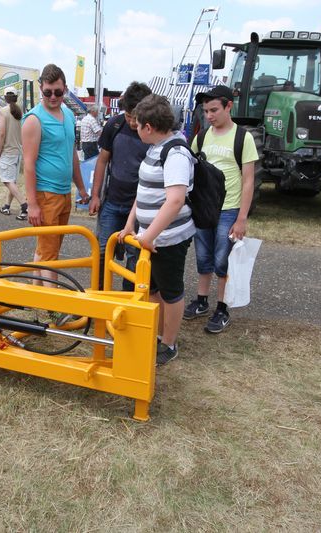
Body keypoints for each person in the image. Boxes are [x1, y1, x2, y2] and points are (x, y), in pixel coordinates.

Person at [118, 94, 195, 366]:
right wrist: (131, 224)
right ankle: (155, 334)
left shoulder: (175, 153)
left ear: (149, 127)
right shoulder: (155, 148)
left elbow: (175, 200)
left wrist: (148, 237)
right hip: (148, 238)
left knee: (170, 290)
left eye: (137, 124)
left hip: (168, 238)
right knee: (152, 288)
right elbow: (144, 192)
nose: (134, 128)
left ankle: (169, 343)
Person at [183, 85, 258, 334]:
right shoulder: (202, 137)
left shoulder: (242, 138)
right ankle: (202, 300)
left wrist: (242, 218)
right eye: (205, 111)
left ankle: (222, 308)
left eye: (214, 110)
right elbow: (190, 167)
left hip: (229, 209)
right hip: (204, 209)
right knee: (203, 257)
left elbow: (248, 180)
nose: (209, 116)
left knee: (222, 261)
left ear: (229, 106)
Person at [22, 63, 89, 286]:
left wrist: (80, 187)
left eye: (58, 92)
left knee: (47, 248)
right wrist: (32, 204)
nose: (53, 96)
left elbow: (72, 156)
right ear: (40, 88)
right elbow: (28, 164)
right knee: (50, 254)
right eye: (47, 92)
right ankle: (53, 311)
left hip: (63, 193)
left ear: (65, 89)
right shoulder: (34, 119)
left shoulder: (69, 115)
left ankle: (36, 297)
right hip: (45, 194)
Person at [89, 81, 152, 290]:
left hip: (140, 209)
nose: (133, 122)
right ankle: (98, 296)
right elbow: (102, 160)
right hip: (112, 204)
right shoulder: (114, 125)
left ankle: (128, 299)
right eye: (128, 116)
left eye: (136, 117)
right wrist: (95, 195)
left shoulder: (153, 134)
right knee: (101, 251)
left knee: (135, 257)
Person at [0, 87, 28, 220]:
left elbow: (1, 133)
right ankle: (6, 206)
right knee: (12, 181)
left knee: (7, 181)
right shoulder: (20, 111)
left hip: (7, 151)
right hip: (17, 151)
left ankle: (24, 206)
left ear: (5, 98)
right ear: (16, 97)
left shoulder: (3, 111)